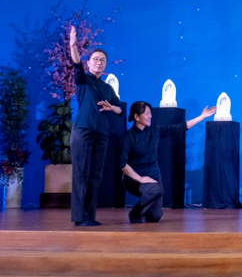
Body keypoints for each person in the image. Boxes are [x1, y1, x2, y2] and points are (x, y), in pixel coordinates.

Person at [120, 101, 216, 223]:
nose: (150, 116)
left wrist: (202, 117)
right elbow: (122, 163)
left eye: (151, 113)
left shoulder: (154, 131)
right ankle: (135, 214)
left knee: (155, 216)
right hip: (134, 179)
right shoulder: (128, 137)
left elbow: (179, 127)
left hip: (154, 177)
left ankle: (144, 210)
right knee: (156, 190)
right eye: (147, 113)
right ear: (136, 117)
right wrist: (140, 178)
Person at [68, 26, 123, 227]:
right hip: (83, 130)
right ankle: (79, 217)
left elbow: (120, 109)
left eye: (102, 60)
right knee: (81, 174)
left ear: (106, 65)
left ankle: (89, 216)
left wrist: (112, 108)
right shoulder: (84, 80)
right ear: (89, 62)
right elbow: (75, 64)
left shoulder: (108, 87)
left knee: (95, 175)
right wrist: (73, 44)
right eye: (95, 59)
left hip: (102, 133)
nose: (99, 62)